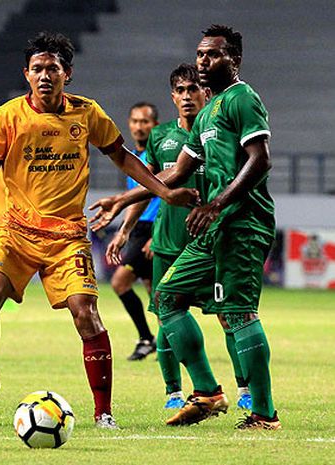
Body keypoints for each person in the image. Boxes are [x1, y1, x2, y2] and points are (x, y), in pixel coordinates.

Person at [0, 31, 198, 429]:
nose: (44, 75)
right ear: (26, 74)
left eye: (52, 68)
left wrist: (164, 191)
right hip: (16, 232)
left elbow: (123, 156)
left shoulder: (87, 114)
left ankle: (103, 413)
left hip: (67, 237)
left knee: (87, 315)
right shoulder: (7, 116)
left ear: (67, 73)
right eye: (37, 69)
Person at [89, 25, 279, 430]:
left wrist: (217, 203)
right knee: (167, 298)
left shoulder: (242, 98)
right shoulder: (208, 114)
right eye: (200, 54)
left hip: (243, 223)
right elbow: (175, 173)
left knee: (239, 313)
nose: (204, 61)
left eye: (214, 54)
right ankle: (207, 392)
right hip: (213, 229)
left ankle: (264, 414)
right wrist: (121, 200)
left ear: (236, 60)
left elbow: (260, 159)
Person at [103, 63, 252, 410]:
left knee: (229, 316)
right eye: (181, 91)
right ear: (173, 97)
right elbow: (152, 184)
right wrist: (125, 229)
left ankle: (245, 389)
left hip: (210, 241)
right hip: (168, 243)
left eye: (193, 90)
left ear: (206, 92)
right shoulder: (160, 137)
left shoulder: (219, 130)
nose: (187, 97)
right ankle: (173, 393)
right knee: (166, 315)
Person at [105, 102, 160, 361]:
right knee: (155, 290)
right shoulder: (132, 157)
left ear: (155, 125)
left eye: (145, 121)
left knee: (120, 282)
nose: (140, 126)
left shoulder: (158, 154)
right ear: (129, 124)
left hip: (153, 229)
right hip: (139, 228)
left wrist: (156, 235)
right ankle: (164, 341)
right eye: (135, 121)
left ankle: (148, 339)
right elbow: (135, 199)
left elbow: (161, 196)